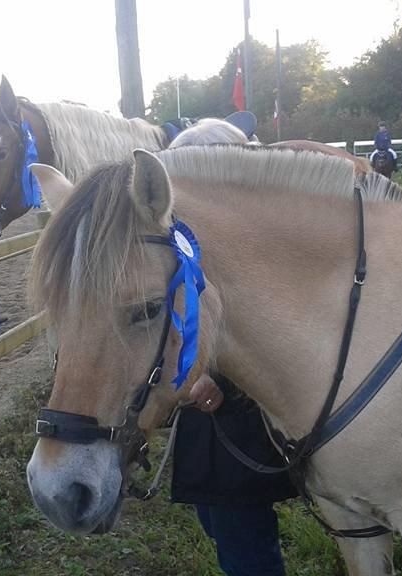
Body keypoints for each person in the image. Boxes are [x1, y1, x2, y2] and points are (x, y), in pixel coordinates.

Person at [168, 122, 296, 576]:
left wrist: (221, 380)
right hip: (204, 413)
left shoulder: (265, 242)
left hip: (243, 411)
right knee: (217, 517)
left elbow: (276, 330)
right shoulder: (188, 238)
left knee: (242, 535)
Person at [173, 375, 297, 576]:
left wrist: (221, 381)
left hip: (240, 442)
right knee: (223, 533)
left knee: (247, 555)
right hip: (203, 439)